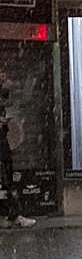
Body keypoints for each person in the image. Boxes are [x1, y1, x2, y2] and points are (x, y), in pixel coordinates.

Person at [0, 97, 35, 228]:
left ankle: (12, 215)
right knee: (7, 185)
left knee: (8, 184)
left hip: (3, 150)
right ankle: (11, 215)